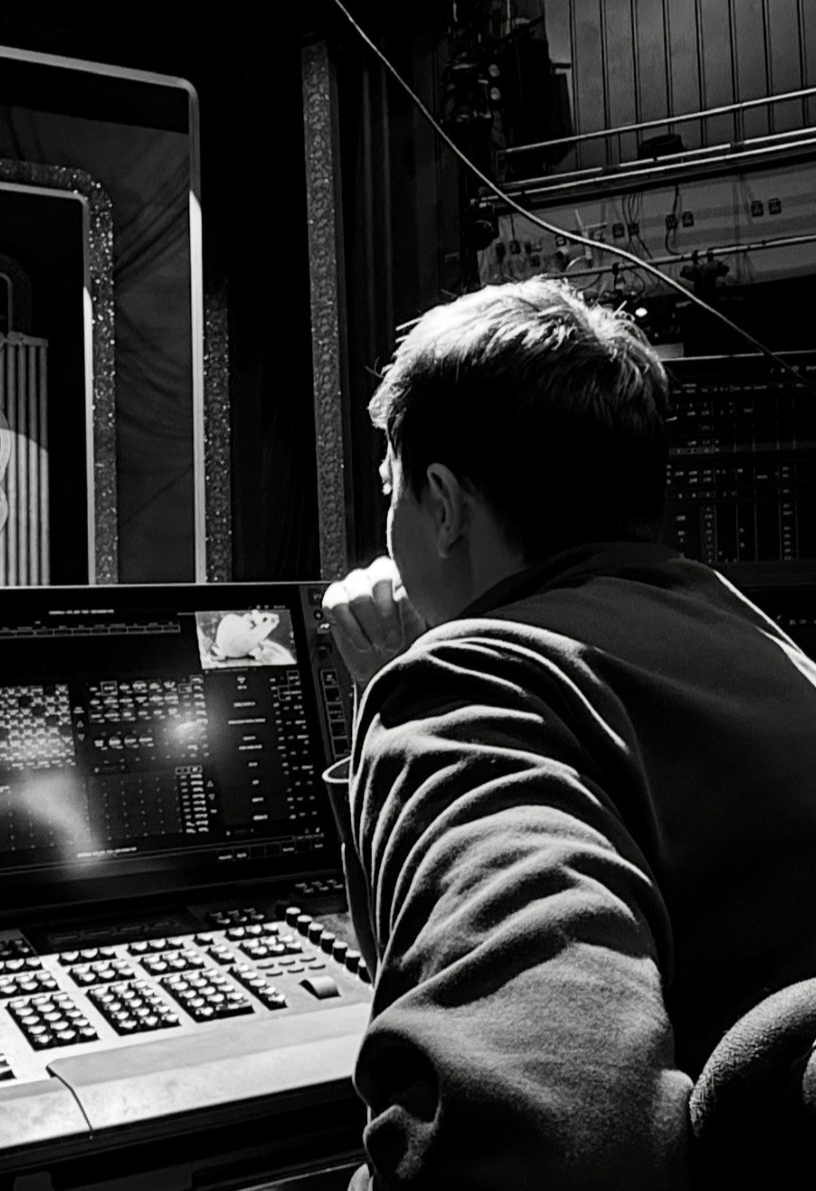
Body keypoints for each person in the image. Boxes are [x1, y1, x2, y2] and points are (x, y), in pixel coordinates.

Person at [321, 277, 816, 1189]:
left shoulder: (467, 682)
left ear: (442, 503)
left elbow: (556, 1132)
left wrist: (411, 681)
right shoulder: (765, 644)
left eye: (391, 489)